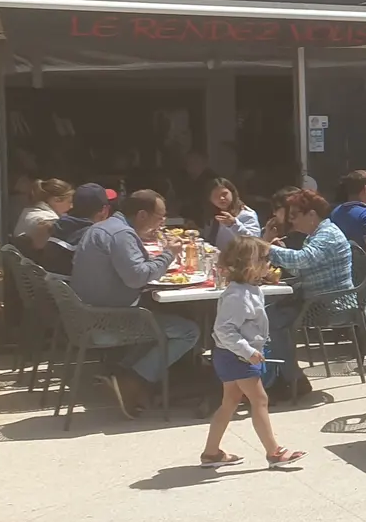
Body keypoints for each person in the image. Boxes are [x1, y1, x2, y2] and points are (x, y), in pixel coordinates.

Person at [70, 190, 200, 417]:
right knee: (188, 331)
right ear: (141, 215)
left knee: (160, 315)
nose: (162, 223)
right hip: (109, 320)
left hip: (91, 312)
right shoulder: (121, 234)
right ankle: (133, 381)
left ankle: (121, 372)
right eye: (160, 217)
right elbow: (137, 277)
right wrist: (168, 254)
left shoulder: (105, 226)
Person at [200, 236, 304, 468]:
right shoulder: (237, 296)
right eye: (265, 259)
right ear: (249, 264)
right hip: (236, 356)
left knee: (230, 401)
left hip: (233, 355)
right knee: (260, 399)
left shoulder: (248, 289)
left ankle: (211, 452)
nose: (270, 263)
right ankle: (273, 452)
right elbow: (224, 330)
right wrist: (247, 351)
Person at [266, 190, 355, 399]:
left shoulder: (327, 235)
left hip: (330, 305)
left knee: (271, 317)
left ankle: (291, 379)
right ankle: (287, 376)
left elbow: (304, 259)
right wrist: (283, 251)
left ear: (312, 215)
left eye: (295, 216)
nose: (292, 222)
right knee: (269, 311)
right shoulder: (317, 235)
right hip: (320, 300)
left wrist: (266, 249)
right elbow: (302, 267)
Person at [35, 183, 114, 275]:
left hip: (51, 286)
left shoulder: (56, 226)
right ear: (105, 210)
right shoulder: (94, 237)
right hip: (72, 287)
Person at [200, 178, 262, 250]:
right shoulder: (213, 213)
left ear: (232, 193)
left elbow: (255, 242)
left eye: (224, 194)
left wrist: (233, 224)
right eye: (216, 195)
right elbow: (210, 238)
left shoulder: (246, 214)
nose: (221, 198)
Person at [12, 178, 74, 250]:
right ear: (56, 200)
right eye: (69, 202)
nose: (71, 206)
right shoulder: (48, 219)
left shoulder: (31, 212)